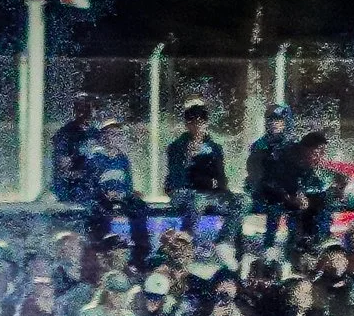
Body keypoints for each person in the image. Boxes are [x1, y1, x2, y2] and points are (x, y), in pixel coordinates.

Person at [163, 102, 239, 244]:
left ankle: (224, 243)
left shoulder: (215, 148)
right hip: (183, 193)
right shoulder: (177, 148)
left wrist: (220, 189)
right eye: (193, 122)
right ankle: (186, 241)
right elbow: (176, 178)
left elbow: (221, 178)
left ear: (206, 124)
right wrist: (188, 158)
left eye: (201, 122)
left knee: (241, 202)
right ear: (187, 125)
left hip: (208, 194)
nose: (197, 127)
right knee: (196, 199)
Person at [80, 119, 151, 252]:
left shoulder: (122, 159)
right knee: (100, 211)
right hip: (102, 199)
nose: (116, 138)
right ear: (103, 137)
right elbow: (89, 184)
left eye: (118, 134)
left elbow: (128, 184)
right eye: (111, 134)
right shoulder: (95, 158)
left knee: (139, 207)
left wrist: (129, 193)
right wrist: (105, 193)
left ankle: (141, 248)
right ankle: (102, 246)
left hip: (121, 198)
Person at [277, 131, 340, 262]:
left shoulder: (315, 170)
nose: (320, 157)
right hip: (286, 203)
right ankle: (295, 250)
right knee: (300, 213)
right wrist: (293, 194)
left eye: (322, 153)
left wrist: (340, 187)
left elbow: (330, 181)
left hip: (312, 206)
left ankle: (320, 240)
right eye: (316, 152)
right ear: (304, 150)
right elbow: (282, 184)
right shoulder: (288, 165)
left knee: (322, 201)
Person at [245, 103, 297, 255]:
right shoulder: (259, 145)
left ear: (286, 122)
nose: (274, 123)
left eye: (279, 120)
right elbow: (255, 174)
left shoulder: (293, 145)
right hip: (265, 193)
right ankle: (269, 246)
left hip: (287, 193)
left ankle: (294, 247)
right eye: (271, 120)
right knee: (276, 205)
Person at [51, 93, 102, 204]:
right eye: (81, 108)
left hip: (92, 188)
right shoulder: (65, 134)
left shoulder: (96, 133)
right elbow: (62, 168)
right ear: (75, 110)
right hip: (72, 190)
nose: (86, 112)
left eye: (91, 108)